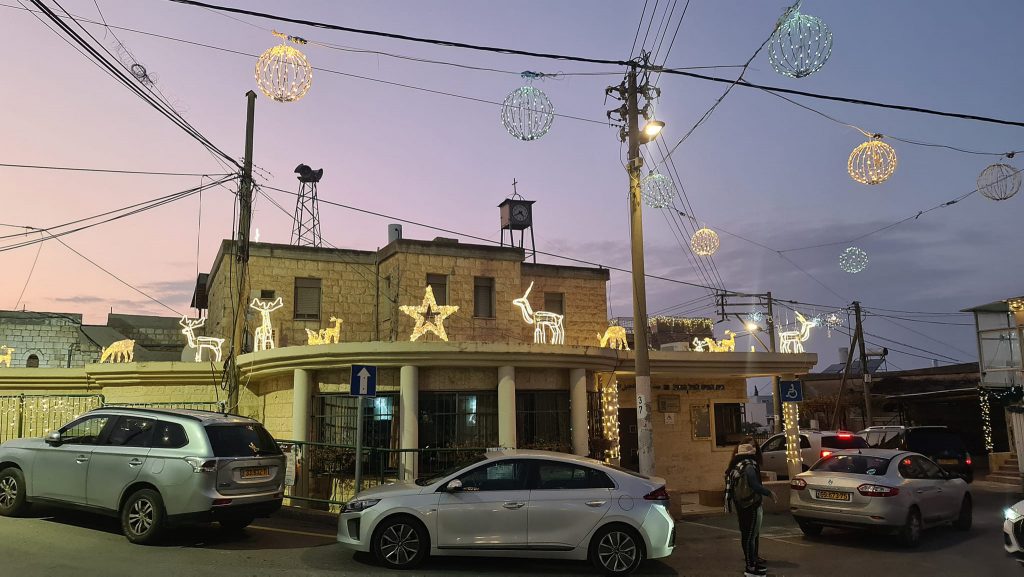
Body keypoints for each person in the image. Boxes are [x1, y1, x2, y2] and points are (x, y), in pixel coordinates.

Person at [724, 442, 777, 577]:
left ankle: (752, 564)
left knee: (746, 535)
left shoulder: (737, 466)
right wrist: (769, 493)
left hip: (741, 505)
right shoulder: (749, 466)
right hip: (751, 504)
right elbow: (754, 485)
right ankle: (750, 567)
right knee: (750, 537)